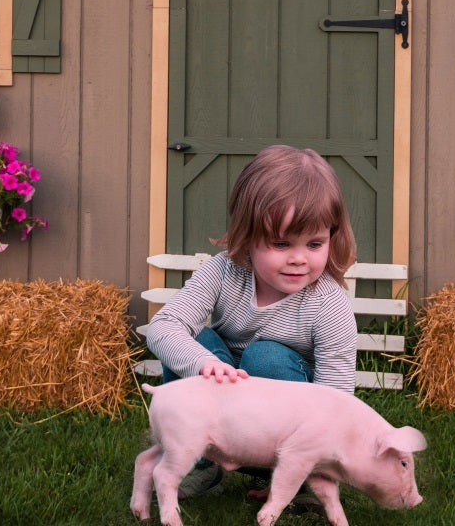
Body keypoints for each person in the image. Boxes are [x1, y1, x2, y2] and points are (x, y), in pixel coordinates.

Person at [145, 144, 359, 501]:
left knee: (266, 357)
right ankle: (201, 462)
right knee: (191, 339)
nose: (299, 259)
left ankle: (304, 480)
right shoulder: (223, 271)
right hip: (220, 413)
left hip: (281, 432)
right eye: (280, 243)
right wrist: (204, 364)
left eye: (314, 243)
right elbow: (163, 326)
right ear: (248, 236)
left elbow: (336, 399)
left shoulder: (329, 304)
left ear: (332, 237)